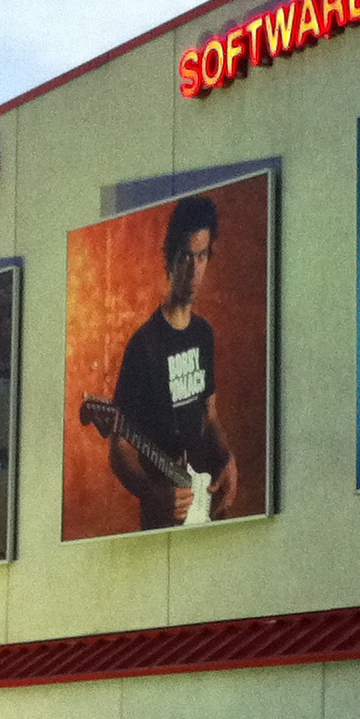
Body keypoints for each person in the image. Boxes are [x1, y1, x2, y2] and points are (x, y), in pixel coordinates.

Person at [107, 192, 240, 528]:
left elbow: (209, 415)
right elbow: (120, 446)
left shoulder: (204, 334)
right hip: (164, 514)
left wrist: (227, 459)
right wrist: (151, 491)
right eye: (185, 257)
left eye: (202, 257)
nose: (193, 270)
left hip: (205, 497)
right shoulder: (144, 345)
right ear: (169, 259)